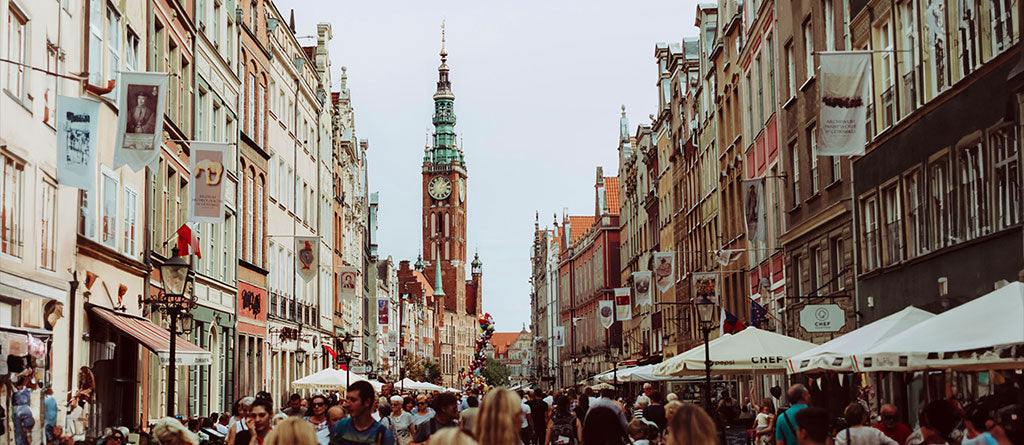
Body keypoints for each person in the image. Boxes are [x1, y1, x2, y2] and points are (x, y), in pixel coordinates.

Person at [329, 380, 395, 445]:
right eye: (347, 399)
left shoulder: (382, 435)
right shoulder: (339, 427)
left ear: (367, 402)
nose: (347, 404)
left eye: (353, 400)